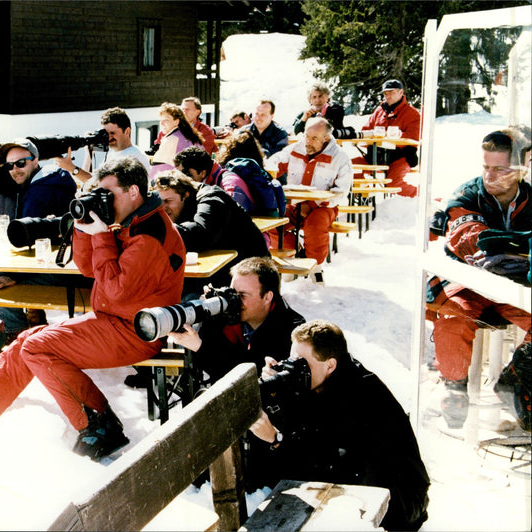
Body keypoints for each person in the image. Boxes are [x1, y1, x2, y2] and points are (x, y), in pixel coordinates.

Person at [0, 157, 186, 460]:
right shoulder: (134, 220)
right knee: (27, 340)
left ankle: (99, 423)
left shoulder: (150, 234)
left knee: (38, 347)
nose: (104, 202)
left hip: (136, 331)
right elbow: (87, 269)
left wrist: (103, 236)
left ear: (134, 191)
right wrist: (84, 229)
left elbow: (115, 290)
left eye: (109, 195)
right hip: (112, 321)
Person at [249, 320, 430, 531]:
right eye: (291, 359)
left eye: (301, 363)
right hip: (364, 480)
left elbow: (323, 461)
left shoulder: (360, 396)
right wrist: (277, 387)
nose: (295, 368)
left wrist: (276, 439)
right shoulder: (326, 379)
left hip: (399, 502)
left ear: (330, 365)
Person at [169, 257, 305, 492]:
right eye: (231, 292)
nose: (233, 301)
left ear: (268, 297)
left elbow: (250, 378)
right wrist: (203, 315)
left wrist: (202, 348)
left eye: (243, 296)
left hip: (268, 430)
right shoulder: (225, 316)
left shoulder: (291, 330)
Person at [427, 130, 531, 427]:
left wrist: (508, 249)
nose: (491, 175)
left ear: (521, 170)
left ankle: (516, 378)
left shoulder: (530, 197)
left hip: (515, 286)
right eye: (486, 167)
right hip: (468, 281)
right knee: (453, 317)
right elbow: (469, 238)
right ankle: (455, 386)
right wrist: (520, 246)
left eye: (500, 169)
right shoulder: (467, 194)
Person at [0, 138, 77, 336]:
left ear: (36, 160)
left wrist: (12, 276)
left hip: (66, 270)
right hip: (63, 261)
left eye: (21, 163)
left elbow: (27, 237)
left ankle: (15, 336)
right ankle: (35, 324)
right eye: (10, 165)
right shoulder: (48, 179)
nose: (15, 169)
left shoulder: (40, 191)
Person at [150, 170, 270, 294]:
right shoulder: (178, 207)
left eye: (168, 201)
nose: (163, 208)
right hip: (221, 269)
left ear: (185, 195)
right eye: (160, 202)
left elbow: (202, 235)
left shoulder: (211, 198)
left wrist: (159, 229)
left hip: (251, 271)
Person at [265, 117, 353, 274]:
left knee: (315, 224)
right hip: (294, 203)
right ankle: (295, 254)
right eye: (306, 136)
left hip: (324, 207)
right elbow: (276, 161)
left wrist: (312, 204)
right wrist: (270, 167)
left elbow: (340, 193)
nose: (308, 142)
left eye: (314, 138)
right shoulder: (296, 149)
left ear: (326, 138)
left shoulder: (340, 158)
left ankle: (314, 266)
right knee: (272, 220)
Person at [356, 79, 421, 198]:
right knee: (349, 167)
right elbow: (366, 130)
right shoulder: (379, 110)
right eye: (385, 93)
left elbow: (413, 138)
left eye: (391, 92)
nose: (388, 96)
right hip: (376, 156)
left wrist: (391, 136)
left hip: (400, 156)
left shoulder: (412, 113)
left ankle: (421, 197)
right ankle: (362, 199)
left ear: (401, 92)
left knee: (392, 184)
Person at [56, 107, 150, 182]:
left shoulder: (134, 157)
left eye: (112, 133)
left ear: (127, 131)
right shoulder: (112, 154)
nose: (108, 138)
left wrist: (72, 168)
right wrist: (89, 153)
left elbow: (99, 184)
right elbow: (89, 180)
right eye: (106, 134)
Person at [150, 102, 204, 175]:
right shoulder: (186, 135)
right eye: (160, 121)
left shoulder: (171, 139)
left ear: (176, 122)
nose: (162, 124)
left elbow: (157, 168)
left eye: (166, 120)